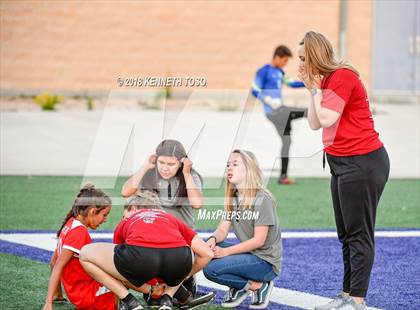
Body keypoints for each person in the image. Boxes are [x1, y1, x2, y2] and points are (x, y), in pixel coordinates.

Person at [297, 31, 390, 310]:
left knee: (359, 233)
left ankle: (357, 299)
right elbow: (315, 124)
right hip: (340, 164)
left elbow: (328, 117)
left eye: (303, 58)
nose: (299, 63)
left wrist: (314, 90)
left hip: (362, 163)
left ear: (315, 56)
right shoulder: (325, 81)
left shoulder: (343, 76)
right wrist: (311, 90)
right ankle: (347, 295)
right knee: (345, 234)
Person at [79, 190, 214, 310]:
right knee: (183, 252)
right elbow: (207, 254)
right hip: (178, 260)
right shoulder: (171, 219)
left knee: (85, 254)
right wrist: (185, 275)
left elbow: (119, 272)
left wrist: (150, 289)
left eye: (124, 213)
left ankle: (130, 302)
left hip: (140, 260)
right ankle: (170, 297)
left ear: (133, 209)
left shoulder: (129, 219)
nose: (123, 217)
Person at [121, 139, 203, 300]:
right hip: (155, 236)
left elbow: (197, 203)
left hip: (181, 238)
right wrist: (145, 166)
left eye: (171, 164)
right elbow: (126, 192)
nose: (165, 168)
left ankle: (186, 277)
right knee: (153, 297)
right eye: (161, 162)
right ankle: (163, 283)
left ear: (181, 163)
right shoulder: (150, 173)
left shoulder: (191, 175)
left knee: (178, 294)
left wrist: (186, 173)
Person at [203, 150, 282, 309]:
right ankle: (240, 285)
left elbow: (258, 241)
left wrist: (226, 252)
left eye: (235, 164)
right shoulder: (233, 197)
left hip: (264, 261)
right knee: (204, 251)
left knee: (210, 270)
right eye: (228, 165)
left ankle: (258, 286)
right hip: (250, 254)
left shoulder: (262, 199)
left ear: (249, 169)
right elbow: (222, 231)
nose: (229, 168)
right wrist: (212, 240)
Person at [43, 184, 115, 310]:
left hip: (78, 294)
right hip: (87, 295)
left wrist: (58, 294)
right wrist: (48, 303)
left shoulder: (70, 224)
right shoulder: (79, 232)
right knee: (123, 270)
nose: (105, 219)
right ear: (92, 212)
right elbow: (58, 264)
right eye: (104, 215)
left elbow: (54, 262)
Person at [251, 45, 307, 185]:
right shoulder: (263, 71)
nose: (285, 64)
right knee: (307, 112)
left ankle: (283, 177)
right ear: (277, 57)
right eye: (284, 60)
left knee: (287, 142)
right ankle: (323, 117)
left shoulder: (280, 72)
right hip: (274, 112)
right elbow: (254, 90)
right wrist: (268, 100)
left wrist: (307, 82)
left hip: (281, 112)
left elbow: (292, 84)